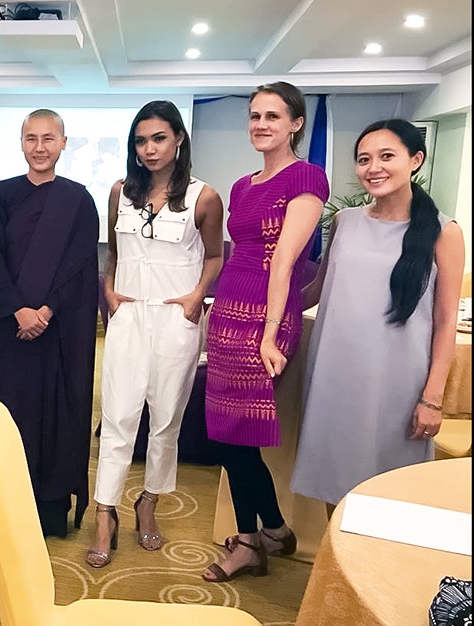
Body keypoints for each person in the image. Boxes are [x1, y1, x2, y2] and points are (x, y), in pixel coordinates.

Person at [291, 119, 464, 512]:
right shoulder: (344, 221)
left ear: (415, 160)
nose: (374, 168)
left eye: (387, 156)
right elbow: (319, 288)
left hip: (397, 379)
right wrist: (259, 311)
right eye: (364, 159)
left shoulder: (442, 232)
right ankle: (336, 566)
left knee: (390, 484)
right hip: (335, 371)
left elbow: (445, 321)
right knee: (334, 474)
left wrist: (432, 399)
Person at [202, 82, 329, 583]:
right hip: (230, 312)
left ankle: (256, 539)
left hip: (265, 320)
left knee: (238, 439)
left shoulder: (307, 177)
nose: (261, 124)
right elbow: (241, 252)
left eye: (273, 116)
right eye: (255, 115)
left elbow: (283, 262)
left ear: (295, 124)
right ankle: (267, 532)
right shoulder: (241, 185)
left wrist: (271, 334)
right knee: (231, 437)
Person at [87, 101, 223, 567]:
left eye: (158, 138)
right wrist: (108, 287)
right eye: (141, 140)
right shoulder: (119, 191)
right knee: (119, 416)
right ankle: (105, 513)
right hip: (128, 315)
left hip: (176, 318)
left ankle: (149, 501)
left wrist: (196, 297)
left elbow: (214, 257)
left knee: (165, 418)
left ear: (179, 139)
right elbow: (114, 252)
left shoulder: (204, 197)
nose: (149, 149)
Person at [0, 109, 99, 538]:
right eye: (31, 139)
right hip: (10, 331)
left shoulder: (79, 199)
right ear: (21, 144)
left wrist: (46, 311)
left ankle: (50, 511)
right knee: (12, 417)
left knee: (56, 415)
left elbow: (80, 267)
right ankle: (8, 508)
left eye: (48, 139)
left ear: (64, 143)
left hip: (57, 333)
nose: (40, 148)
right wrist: (18, 309)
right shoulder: (2, 194)